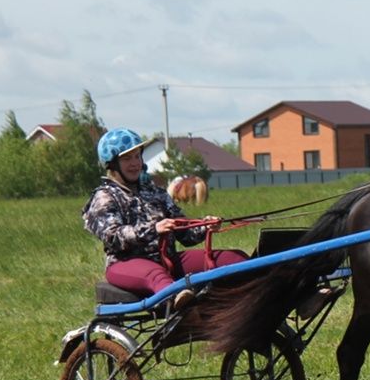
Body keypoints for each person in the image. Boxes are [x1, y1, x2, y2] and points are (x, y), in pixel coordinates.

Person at [82, 128, 247, 310]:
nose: (135, 163)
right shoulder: (104, 197)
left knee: (234, 258)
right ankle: (179, 300)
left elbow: (185, 234)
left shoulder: (155, 192)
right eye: (127, 158)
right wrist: (153, 229)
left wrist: (205, 225)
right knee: (156, 275)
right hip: (125, 264)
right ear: (112, 164)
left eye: (137, 156)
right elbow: (113, 237)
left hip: (168, 259)